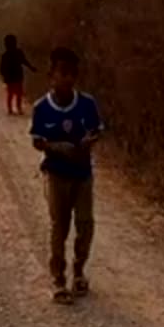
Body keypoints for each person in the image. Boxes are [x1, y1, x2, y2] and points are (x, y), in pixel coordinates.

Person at [29, 47, 103, 304]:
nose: (67, 79)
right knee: (59, 227)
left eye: (72, 74)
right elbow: (37, 141)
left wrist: (87, 142)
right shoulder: (41, 108)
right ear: (51, 75)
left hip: (82, 173)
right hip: (57, 174)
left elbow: (97, 131)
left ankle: (79, 270)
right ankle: (58, 279)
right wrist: (56, 146)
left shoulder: (87, 104)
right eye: (62, 73)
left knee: (86, 224)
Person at [0, 34, 38, 115]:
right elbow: (24, 61)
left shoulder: (5, 55)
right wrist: (31, 68)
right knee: (18, 94)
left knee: (11, 94)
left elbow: (1, 68)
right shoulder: (18, 52)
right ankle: (18, 108)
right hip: (17, 76)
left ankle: (11, 109)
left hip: (11, 77)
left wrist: (3, 76)